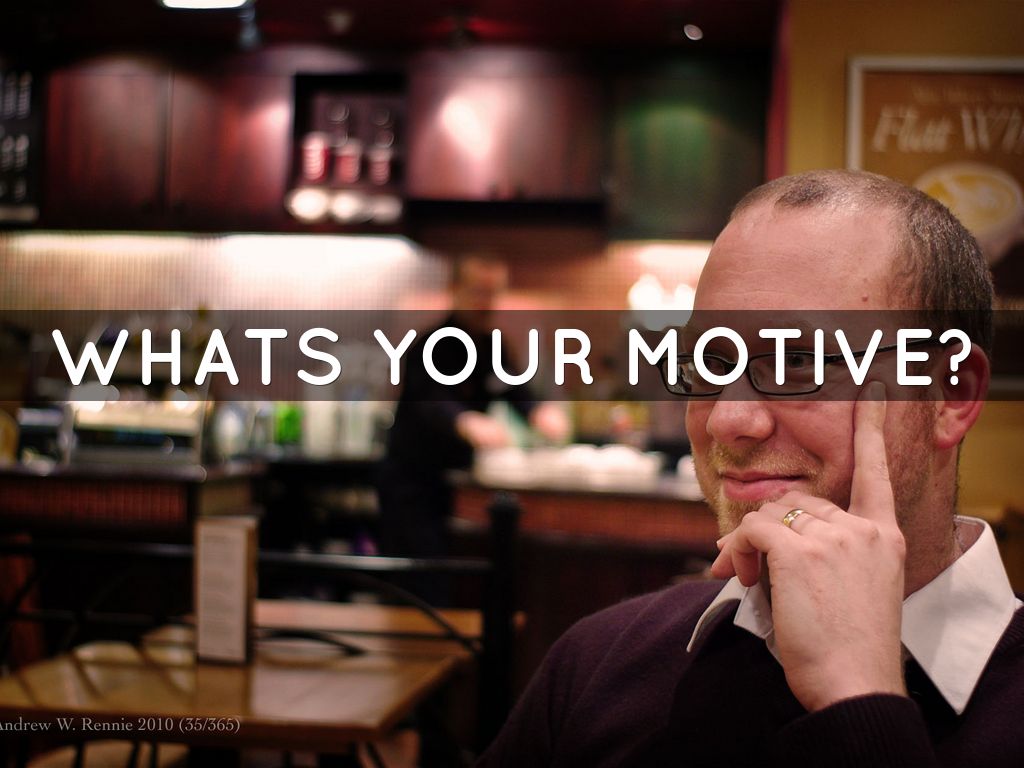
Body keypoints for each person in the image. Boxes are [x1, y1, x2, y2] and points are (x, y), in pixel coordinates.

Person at [478, 170, 1023, 767]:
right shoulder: (597, 664)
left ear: (950, 394)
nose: (726, 419)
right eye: (709, 363)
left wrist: (859, 702)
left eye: (796, 359)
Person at [378, 254, 568, 602]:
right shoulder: (430, 343)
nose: (486, 302)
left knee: (455, 581)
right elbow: (429, 399)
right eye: (478, 291)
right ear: (455, 289)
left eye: (492, 293)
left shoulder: (492, 345)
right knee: (420, 587)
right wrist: (463, 421)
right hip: (412, 485)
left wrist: (539, 412)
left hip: (457, 484)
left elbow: (515, 389)